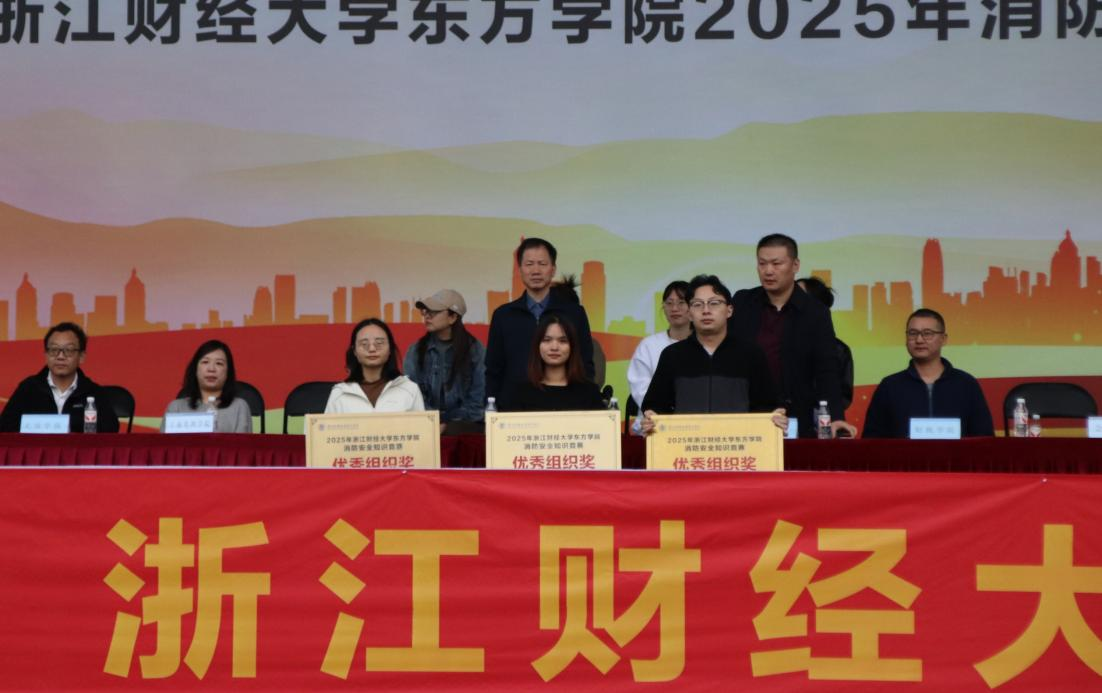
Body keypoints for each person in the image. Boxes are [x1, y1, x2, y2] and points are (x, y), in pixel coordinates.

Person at [729, 234, 856, 438]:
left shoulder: (815, 312)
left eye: (776, 263)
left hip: (797, 416)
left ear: (795, 265)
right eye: (762, 263)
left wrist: (835, 416)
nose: (768, 271)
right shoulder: (743, 302)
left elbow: (826, 369)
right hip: (749, 415)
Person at [640, 275, 787, 433]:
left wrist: (775, 417)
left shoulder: (751, 354)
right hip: (686, 444)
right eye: (697, 304)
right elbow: (655, 406)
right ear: (689, 314)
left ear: (729, 310)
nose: (706, 310)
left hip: (737, 443)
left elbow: (767, 406)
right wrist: (651, 419)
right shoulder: (672, 355)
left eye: (714, 303)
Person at [485, 237, 595, 408]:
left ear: (553, 269)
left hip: (564, 407)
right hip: (514, 409)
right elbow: (493, 370)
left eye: (542, 264)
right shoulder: (503, 315)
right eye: (529, 264)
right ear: (520, 270)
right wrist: (492, 411)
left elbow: (585, 364)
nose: (535, 271)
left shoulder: (574, 313)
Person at [863, 308, 994, 438]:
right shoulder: (890, 386)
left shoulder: (966, 384)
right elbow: (872, 440)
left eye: (927, 333)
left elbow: (984, 438)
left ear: (943, 339)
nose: (919, 340)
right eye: (913, 333)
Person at [0, 322, 120, 433]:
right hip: (37, 449)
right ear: (46, 355)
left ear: (81, 357)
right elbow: (5, 427)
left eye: (69, 350)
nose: (60, 356)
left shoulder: (93, 393)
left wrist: (70, 427)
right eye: (54, 350)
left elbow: (110, 429)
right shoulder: (29, 388)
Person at [403, 289, 486, 433]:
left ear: (453, 317)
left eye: (434, 311)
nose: (427, 315)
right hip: (425, 426)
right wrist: (434, 422)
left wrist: (447, 423)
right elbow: (412, 396)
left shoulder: (476, 350)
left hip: (464, 428)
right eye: (425, 311)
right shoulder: (415, 351)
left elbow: (477, 404)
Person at [501, 314, 605, 412]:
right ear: (537, 346)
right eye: (547, 340)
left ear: (572, 347)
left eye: (562, 341)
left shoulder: (589, 392)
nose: (554, 347)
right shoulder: (520, 393)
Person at [326, 318, 425, 413]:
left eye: (379, 343)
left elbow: (422, 425)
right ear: (354, 351)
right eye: (364, 344)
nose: (372, 349)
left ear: (390, 349)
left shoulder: (409, 389)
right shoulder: (340, 393)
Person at [627, 280, 692, 411]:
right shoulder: (648, 345)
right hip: (654, 418)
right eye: (669, 303)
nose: (674, 309)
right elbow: (640, 388)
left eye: (681, 302)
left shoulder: (704, 345)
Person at [161, 340, 252, 433]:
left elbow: (242, 442)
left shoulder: (239, 407)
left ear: (228, 372)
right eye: (205, 362)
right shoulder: (176, 408)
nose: (211, 369)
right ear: (195, 369)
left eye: (219, 363)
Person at [797, 276, 855, 412]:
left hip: (820, 419)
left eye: (797, 295)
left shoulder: (839, 350)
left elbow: (843, 397)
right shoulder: (774, 340)